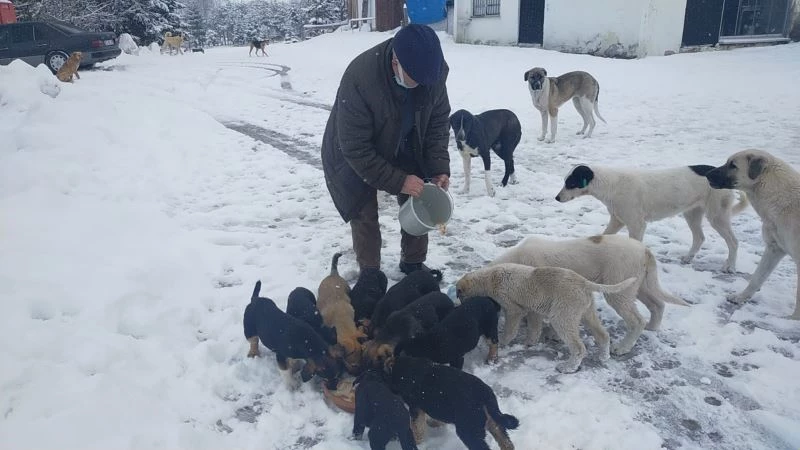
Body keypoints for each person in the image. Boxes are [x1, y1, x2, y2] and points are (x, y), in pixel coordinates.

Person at [321, 24, 451, 275]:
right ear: (396, 63)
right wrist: (399, 181)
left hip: (405, 141)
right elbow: (356, 148)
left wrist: (438, 168)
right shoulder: (360, 78)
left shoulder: (432, 73)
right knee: (362, 206)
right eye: (416, 79)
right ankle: (370, 271)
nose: (423, 85)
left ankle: (413, 262)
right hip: (353, 150)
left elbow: (437, 124)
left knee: (420, 193)